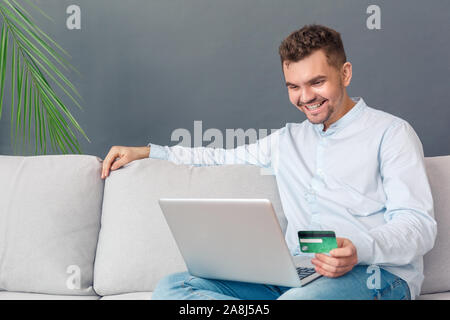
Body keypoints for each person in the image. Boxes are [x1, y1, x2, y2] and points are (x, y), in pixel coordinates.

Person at [101, 24, 436, 300]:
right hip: (296, 271)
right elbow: (217, 156)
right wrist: (147, 151)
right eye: (294, 86)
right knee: (172, 288)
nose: (305, 98)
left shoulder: (391, 133)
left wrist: (358, 248)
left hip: (376, 275)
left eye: (317, 82)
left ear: (344, 73)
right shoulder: (286, 141)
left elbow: (418, 226)